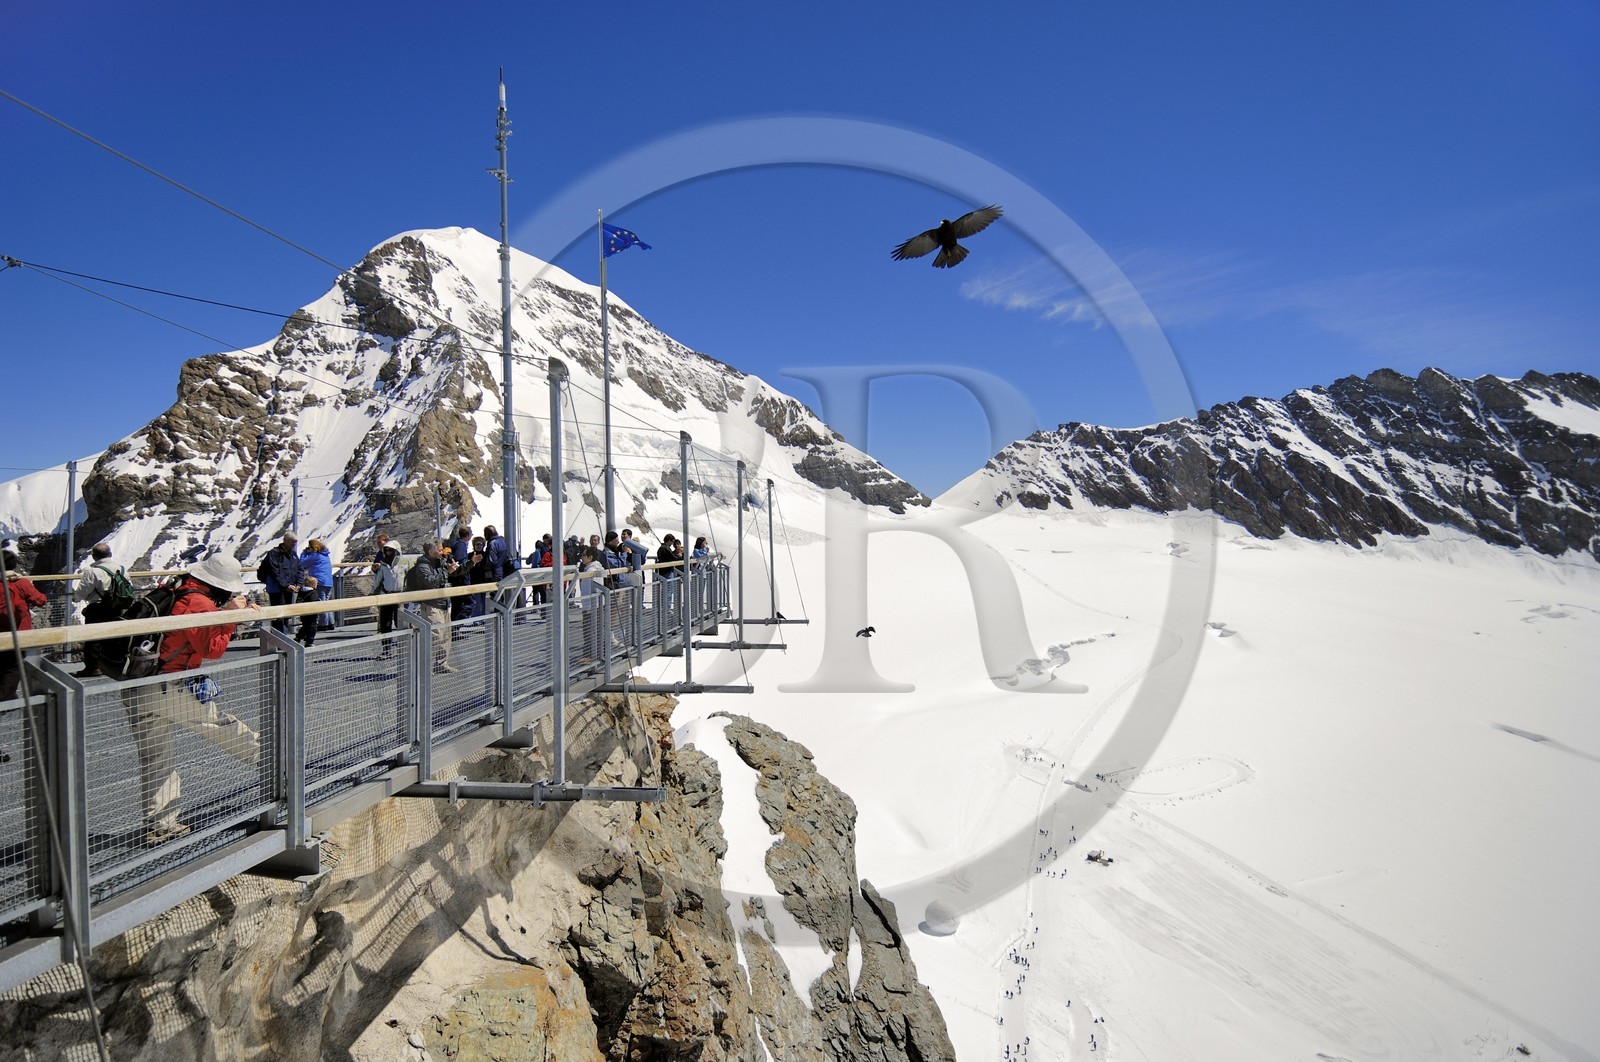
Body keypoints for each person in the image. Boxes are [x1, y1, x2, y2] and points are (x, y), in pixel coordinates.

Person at [121, 552, 261, 846]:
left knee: (156, 757)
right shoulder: (199, 603)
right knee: (222, 726)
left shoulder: (176, 589)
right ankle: (276, 762)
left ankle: (161, 825)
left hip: (139, 683)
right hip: (169, 685)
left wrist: (225, 614)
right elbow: (212, 649)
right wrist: (232, 619)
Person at [1, 543, 48, 701]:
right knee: (14, 666)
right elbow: (41, 600)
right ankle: (5, 698)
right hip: (19, 632)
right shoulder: (20, 583)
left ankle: (7, 695)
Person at [74, 542, 128, 677]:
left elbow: (81, 593)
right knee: (113, 637)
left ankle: (93, 668)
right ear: (110, 554)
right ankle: (111, 665)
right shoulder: (122, 569)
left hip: (97, 608)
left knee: (93, 638)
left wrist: (76, 598)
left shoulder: (93, 571)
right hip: (116, 608)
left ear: (94, 556)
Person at [404, 541, 456, 673]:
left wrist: (471, 562)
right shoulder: (422, 566)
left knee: (445, 636)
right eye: (440, 550)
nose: (443, 552)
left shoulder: (440, 562)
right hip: (431, 605)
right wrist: (446, 572)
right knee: (435, 637)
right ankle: (424, 667)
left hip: (444, 603)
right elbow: (430, 582)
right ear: (431, 552)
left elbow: (455, 572)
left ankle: (441, 664)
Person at [258, 533, 303, 632]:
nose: (294, 544)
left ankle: (283, 636)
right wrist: (286, 585)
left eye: (295, 542)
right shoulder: (274, 553)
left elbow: (299, 569)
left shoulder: (293, 554)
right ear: (285, 540)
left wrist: (299, 584)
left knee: (286, 614)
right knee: (278, 616)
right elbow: (275, 572)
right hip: (276, 589)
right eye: (292, 541)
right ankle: (279, 637)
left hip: (289, 588)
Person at [298, 538, 334, 631]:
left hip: (319, 581)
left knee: (321, 603)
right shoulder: (325, 555)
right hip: (328, 581)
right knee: (326, 602)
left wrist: (304, 553)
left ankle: (323, 624)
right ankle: (330, 623)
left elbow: (302, 563)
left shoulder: (315, 556)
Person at [372, 541, 404, 647]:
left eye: (390, 550)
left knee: (400, 623)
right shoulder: (383, 565)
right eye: (386, 551)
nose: (388, 553)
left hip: (401, 596)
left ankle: (404, 649)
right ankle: (386, 650)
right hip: (387, 596)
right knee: (385, 624)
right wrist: (371, 595)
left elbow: (411, 578)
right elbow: (378, 581)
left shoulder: (404, 563)